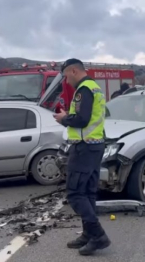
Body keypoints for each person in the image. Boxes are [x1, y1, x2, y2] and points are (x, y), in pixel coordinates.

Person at [53, 58, 110, 256]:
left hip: (84, 147)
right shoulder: (95, 87)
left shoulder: (84, 89)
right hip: (95, 145)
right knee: (88, 192)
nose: (66, 81)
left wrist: (63, 119)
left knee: (76, 193)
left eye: (66, 76)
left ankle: (98, 235)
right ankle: (88, 235)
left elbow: (82, 119)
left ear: (74, 71)